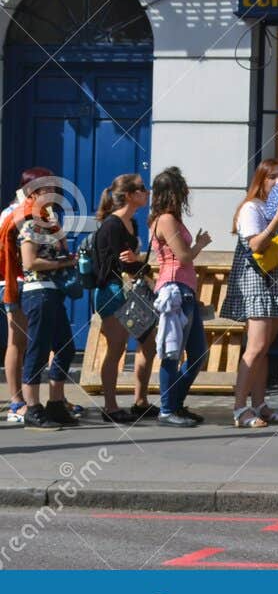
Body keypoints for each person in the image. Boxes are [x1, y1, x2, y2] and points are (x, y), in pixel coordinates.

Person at [224, 159, 278, 428]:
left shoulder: (277, 208)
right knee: (256, 347)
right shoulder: (252, 208)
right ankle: (239, 409)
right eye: (273, 177)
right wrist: (277, 220)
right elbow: (256, 245)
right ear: (261, 180)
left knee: (263, 349)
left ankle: (259, 405)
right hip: (257, 280)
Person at [148, 167, 213, 428]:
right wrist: (200, 244)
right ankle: (167, 408)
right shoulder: (166, 220)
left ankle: (175, 402)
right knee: (172, 353)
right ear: (171, 193)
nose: (185, 194)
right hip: (175, 290)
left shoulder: (168, 219)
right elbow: (184, 257)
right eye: (181, 189)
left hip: (185, 290)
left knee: (197, 353)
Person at [91, 174, 157, 424]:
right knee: (117, 348)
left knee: (148, 344)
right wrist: (137, 263)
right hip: (112, 292)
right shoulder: (112, 225)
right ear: (129, 195)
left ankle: (140, 401)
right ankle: (110, 406)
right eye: (142, 189)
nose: (147, 192)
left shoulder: (133, 224)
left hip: (132, 292)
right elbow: (113, 264)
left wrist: (139, 263)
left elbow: (133, 261)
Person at [17, 178, 78, 429]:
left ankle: (55, 403)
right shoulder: (31, 224)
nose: (54, 194)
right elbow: (30, 262)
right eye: (49, 190)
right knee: (38, 351)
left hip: (53, 293)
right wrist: (63, 263)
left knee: (65, 348)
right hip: (38, 292)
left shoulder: (50, 224)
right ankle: (32, 408)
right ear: (36, 193)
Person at [3, 166, 52, 424]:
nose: (53, 192)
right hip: (15, 281)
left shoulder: (40, 212)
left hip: (33, 282)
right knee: (18, 341)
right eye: (48, 188)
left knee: (38, 340)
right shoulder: (16, 213)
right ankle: (16, 401)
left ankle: (48, 399)